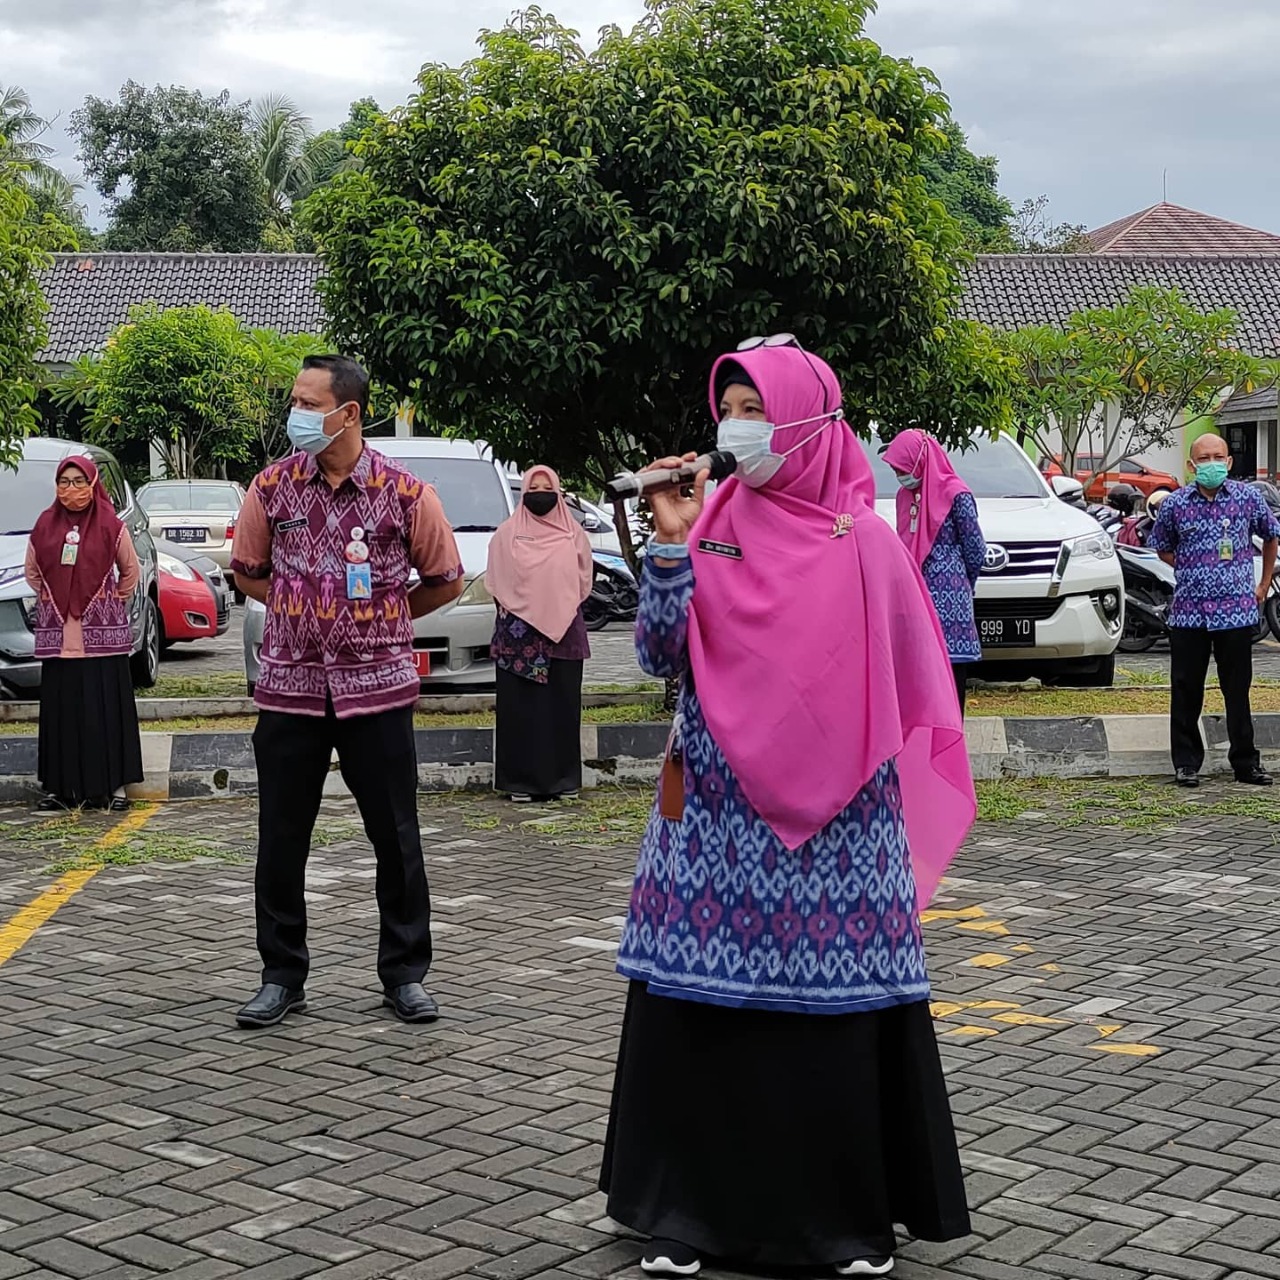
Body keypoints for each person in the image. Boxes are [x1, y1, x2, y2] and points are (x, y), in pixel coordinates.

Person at [600, 339, 975, 1278]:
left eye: (755, 409)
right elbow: (659, 655)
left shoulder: (869, 545)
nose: (737, 429)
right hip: (718, 828)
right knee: (703, 1011)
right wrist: (673, 542)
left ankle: (847, 1222)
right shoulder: (713, 520)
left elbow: (906, 687)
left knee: (834, 1022)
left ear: (809, 422)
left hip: (839, 836)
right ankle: (685, 1214)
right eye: (728, 407)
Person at [229, 355, 465, 1029]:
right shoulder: (271, 488)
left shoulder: (404, 493)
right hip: (290, 689)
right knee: (280, 837)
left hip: (379, 691)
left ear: (349, 412)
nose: (296, 414)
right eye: (295, 401)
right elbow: (247, 572)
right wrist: (302, 610)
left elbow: (445, 577)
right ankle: (281, 975)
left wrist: (384, 618)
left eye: (309, 402)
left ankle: (405, 974)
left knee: (395, 836)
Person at [1148, 432, 1280, 789]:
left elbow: (1271, 536)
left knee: (1237, 689)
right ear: (1191, 465)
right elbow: (1161, 547)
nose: (1211, 464)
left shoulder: (1248, 498)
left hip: (1236, 611)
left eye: (1217, 456)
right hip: (1190, 612)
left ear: (1229, 461)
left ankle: (1245, 763)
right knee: (1186, 687)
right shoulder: (1175, 505)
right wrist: (1193, 568)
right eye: (1203, 458)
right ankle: (1187, 763)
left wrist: (1264, 583)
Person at [25, 456, 143, 812]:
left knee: (105, 713)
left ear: (93, 485)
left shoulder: (111, 525)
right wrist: (56, 599)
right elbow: (32, 572)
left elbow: (130, 572)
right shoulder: (45, 525)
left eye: (79, 481)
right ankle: (61, 791)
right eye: (64, 482)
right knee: (63, 716)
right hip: (58, 640)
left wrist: (107, 602)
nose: (71, 489)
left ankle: (113, 789)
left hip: (102, 641)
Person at [485, 466, 594, 802]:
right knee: (521, 710)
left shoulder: (573, 534)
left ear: (559, 492)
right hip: (518, 636)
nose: (541, 494)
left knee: (561, 707)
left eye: (548, 487)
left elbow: (583, 580)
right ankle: (519, 782)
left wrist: (554, 605)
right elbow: (497, 580)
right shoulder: (507, 533)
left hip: (563, 632)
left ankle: (563, 780)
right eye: (535, 488)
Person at [884, 430, 986, 712]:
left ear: (919, 461)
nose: (899, 474)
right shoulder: (904, 496)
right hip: (912, 596)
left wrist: (963, 583)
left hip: (950, 602)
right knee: (917, 676)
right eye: (895, 469)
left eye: (902, 468)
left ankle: (950, 748)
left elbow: (975, 548)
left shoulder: (956, 495)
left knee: (951, 682)